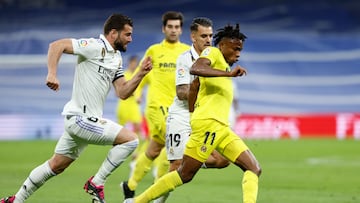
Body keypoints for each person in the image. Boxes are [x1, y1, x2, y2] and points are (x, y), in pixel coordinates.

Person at [0, 13, 152, 203]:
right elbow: (57, 45)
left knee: (55, 166)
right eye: (127, 34)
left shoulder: (117, 58)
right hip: (80, 118)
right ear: (114, 33)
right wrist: (52, 74)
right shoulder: (94, 46)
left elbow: (122, 92)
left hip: (85, 121)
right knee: (131, 140)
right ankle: (97, 183)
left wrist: (140, 74)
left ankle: (16, 200)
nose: (131, 39)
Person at [123, 23, 262, 203]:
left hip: (221, 128)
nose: (238, 54)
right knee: (182, 173)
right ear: (222, 45)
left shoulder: (224, 66)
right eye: (235, 49)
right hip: (208, 125)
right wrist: (227, 75)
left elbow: (195, 85)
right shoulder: (212, 53)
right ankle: (136, 201)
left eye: (240, 50)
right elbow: (195, 69)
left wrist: (191, 113)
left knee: (253, 168)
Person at [120, 11, 190, 200]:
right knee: (172, 148)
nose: (173, 30)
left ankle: (130, 185)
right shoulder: (154, 51)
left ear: (181, 29)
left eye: (177, 27)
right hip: (157, 108)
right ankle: (158, 191)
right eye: (170, 27)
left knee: (154, 149)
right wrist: (137, 93)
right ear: (164, 28)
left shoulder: (187, 51)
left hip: (178, 109)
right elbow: (142, 74)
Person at [160, 17, 230, 203]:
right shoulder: (185, 58)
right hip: (181, 116)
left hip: (204, 116)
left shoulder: (216, 58)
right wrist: (201, 89)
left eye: (210, 35)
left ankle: (191, 161)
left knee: (223, 159)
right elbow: (182, 91)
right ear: (193, 37)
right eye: (203, 36)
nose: (208, 39)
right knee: (175, 166)